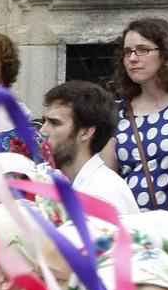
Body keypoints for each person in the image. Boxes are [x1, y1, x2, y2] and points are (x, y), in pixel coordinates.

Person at [103, 16, 168, 210]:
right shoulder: (116, 113)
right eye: (127, 52)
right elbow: (105, 178)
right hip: (135, 230)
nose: (133, 58)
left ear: (166, 54)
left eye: (143, 50)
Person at [42, 79, 138, 214]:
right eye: (44, 121)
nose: (43, 131)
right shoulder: (77, 183)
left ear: (86, 132)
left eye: (55, 123)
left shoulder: (100, 194)